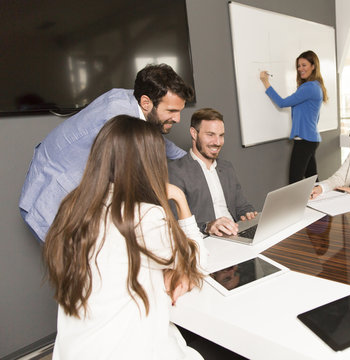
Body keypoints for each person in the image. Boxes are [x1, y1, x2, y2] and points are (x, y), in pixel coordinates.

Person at [43, 115, 207, 359]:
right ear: (149, 164)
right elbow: (199, 261)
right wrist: (179, 199)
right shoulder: (145, 216)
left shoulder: (72, 210)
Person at [20, 63, 194, 242]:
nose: (177, 118)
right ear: (146, 102)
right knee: (81, 267)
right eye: (172, 111)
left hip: (67, 187)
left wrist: (191, 159)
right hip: (50, 199)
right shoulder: (118, 118)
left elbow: (155, 136)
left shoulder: (134, 100)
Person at [168, 108, 257, 236]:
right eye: (210, 135)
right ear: (194, 133)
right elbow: (175, 222)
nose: (217, 142)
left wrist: (248, 213)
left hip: (235, 234)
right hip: (205, 241)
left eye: (221, 136)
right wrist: (207, 226)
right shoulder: (176, 171)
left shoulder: (227, 168)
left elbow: (242, 206)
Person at [260, 50, 328, 184]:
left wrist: (265, 82)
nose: (300, 69)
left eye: (304, 65)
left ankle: (301, 205)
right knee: (312, 180)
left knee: (294, 182)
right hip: (309, 138)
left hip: (305, 140)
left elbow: (282, 103)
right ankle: (322, 203)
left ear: (313, 66)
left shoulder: (309, 87)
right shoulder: (314, 86)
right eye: (298, 66)